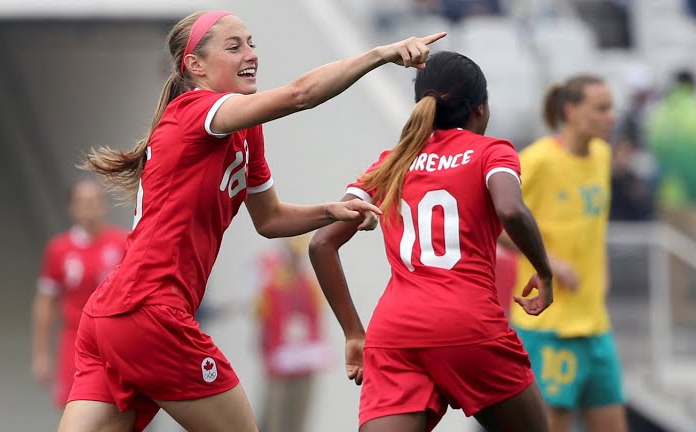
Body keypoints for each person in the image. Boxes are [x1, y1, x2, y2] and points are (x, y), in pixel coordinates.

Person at [57, 10, 445, 432]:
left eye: (252, 43)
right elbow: (300, 94)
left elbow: (270, 218)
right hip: (151, 311)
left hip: (113, 316)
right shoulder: (195, 110)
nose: (251, 54)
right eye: (234, 46)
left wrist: (330, 210)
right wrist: (380, 53)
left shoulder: (244, 128)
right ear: (195, 66)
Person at [309, 51, 553, 432]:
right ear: (480, 109)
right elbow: (511, 209)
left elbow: (321, 243)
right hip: (469, 327)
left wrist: (354, 332)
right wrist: (544, 270)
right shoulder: (491, 152)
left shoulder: (389, 163)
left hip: (395, 336)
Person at [502, 75, 627, 432]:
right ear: (571, 111)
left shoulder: (602, 157)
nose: (612, 117)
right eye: (601, 108)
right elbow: (493, 222)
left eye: (611, 108)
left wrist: (600, 269)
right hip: (549, 325)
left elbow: (593, 226)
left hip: (595, 324)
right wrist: (550, 263)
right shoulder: (538, 160)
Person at [31, 178, 127, 409]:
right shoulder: (59, 249)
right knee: (75, 408)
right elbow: (45, 302)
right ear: (71, 207)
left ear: (104, 205)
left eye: (94, 201)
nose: (89, 207)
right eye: (82, 202)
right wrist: (41, 354)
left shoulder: (123, 243)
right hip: (75, 340)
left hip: (115, 339)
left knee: (120, 408)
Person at [645, 69, 696, 326]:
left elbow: (655, 156)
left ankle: (675, 321)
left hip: (669, 200)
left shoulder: (659, 114)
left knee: (672, 265)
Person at [254, 235, 330, 432]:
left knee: (299, 417)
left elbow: (317, 319)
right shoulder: (270, 285)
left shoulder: (309, 284)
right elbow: (262, 321)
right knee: (274, 417)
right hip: (280, 362)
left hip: (304, 361)